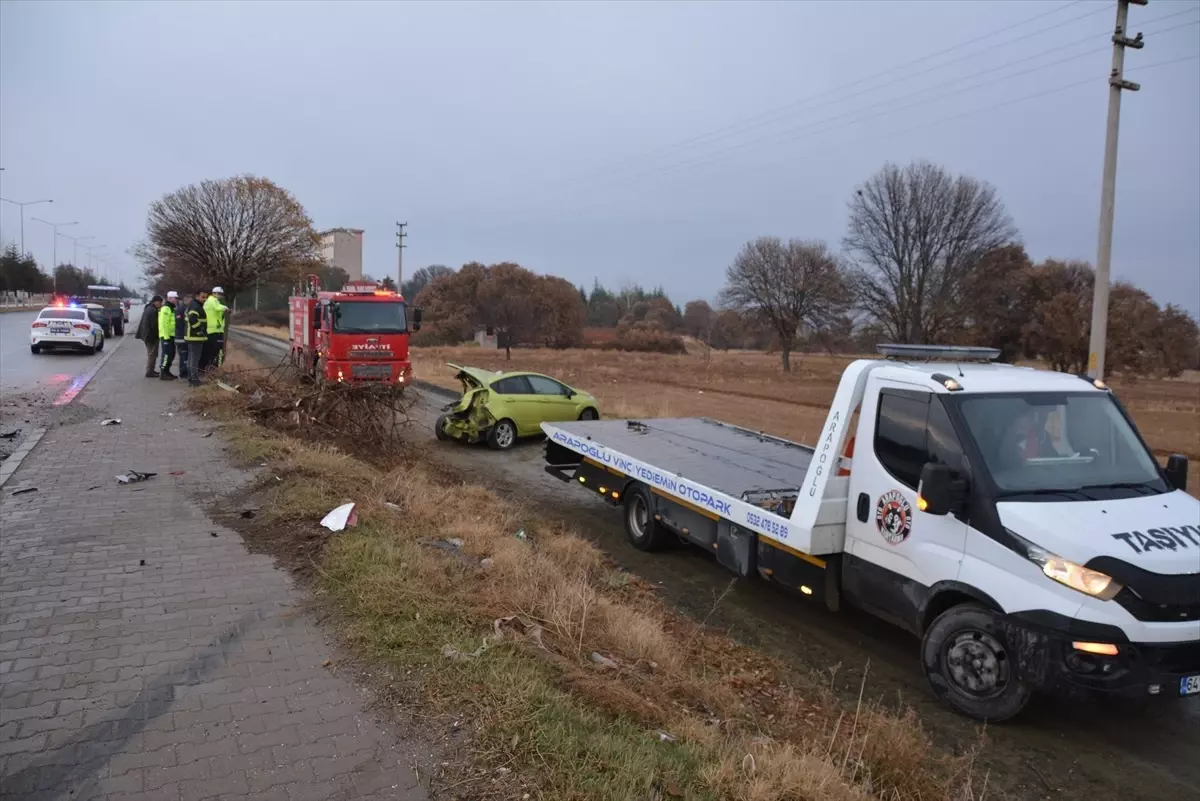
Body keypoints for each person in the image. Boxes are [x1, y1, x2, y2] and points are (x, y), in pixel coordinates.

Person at [183, 289, 209, 387]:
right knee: (194, 359)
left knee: (191, 358)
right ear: (197, 296)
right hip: (195, 337)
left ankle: (191, 377)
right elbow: (192, 319)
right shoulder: (195, 306)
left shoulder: (194, 305)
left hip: (192, 336)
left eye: (206, 297)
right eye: (203, 297)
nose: (205, 299)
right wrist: (200, 330)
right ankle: (194, 379)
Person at [201, 286, 228, 375]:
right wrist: (226, 308)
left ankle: (210, 369)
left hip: (212, 331)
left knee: (211, 352)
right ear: (214, 293)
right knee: (218, 352)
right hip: (215, 331)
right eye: (219, 294)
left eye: (221, 294)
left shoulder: (210, 301)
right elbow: (218, 308)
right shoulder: (213, 300)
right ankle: (216, 370)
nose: (220, 296)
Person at [136, 295, 164, 378]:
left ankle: (150, 370)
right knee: (152, 354)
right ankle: (150, 371)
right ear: (155, 302)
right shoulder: (153, 311)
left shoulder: (149, 308)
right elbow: (154, 325)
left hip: (146, 335)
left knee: (151, 354)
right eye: (160, 302)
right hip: (151, 336)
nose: (161, 304)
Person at [158, 291, 179, 380]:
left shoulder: (171, 308)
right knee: (167, 355)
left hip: (171, 335)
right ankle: (163, 373)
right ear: (170, 298)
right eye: (175, 298)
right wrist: (166, 336)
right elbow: (164, 323)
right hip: (166, 336)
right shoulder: (166, 308)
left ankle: (167, 371)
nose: (176, 300)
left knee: (171, 354)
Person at [174, 291, 192, 379]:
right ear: (186, 299)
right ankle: (183, 372)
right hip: (181, 336)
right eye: (190, 299)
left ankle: (184, 371)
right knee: (183, 355)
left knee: (185, 355)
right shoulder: (180, 309)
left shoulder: (184, 308)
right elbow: (179, 324)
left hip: (184, 336)